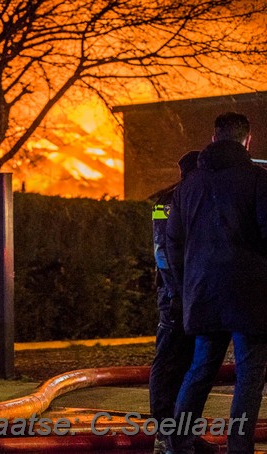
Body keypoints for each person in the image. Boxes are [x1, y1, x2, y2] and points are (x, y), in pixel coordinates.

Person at [166, 112, 267, 453]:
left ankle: (178, 443)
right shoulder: (258, 179)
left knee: (200, 369)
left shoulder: (188, 186)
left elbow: (173, 243)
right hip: (249, 295)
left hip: (203, 293)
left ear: (213, 139)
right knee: (249, 375)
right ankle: (240, 447)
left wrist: (185, 289)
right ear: (247, 141)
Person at [148, 151, 198, 454]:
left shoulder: (180, 198)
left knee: (187, 363)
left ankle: (181, 434)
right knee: (169, 363)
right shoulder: (168, 202)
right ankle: (166, 432)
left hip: (186, 293)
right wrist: (178, 293)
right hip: (175, 295)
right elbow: (163, 251)